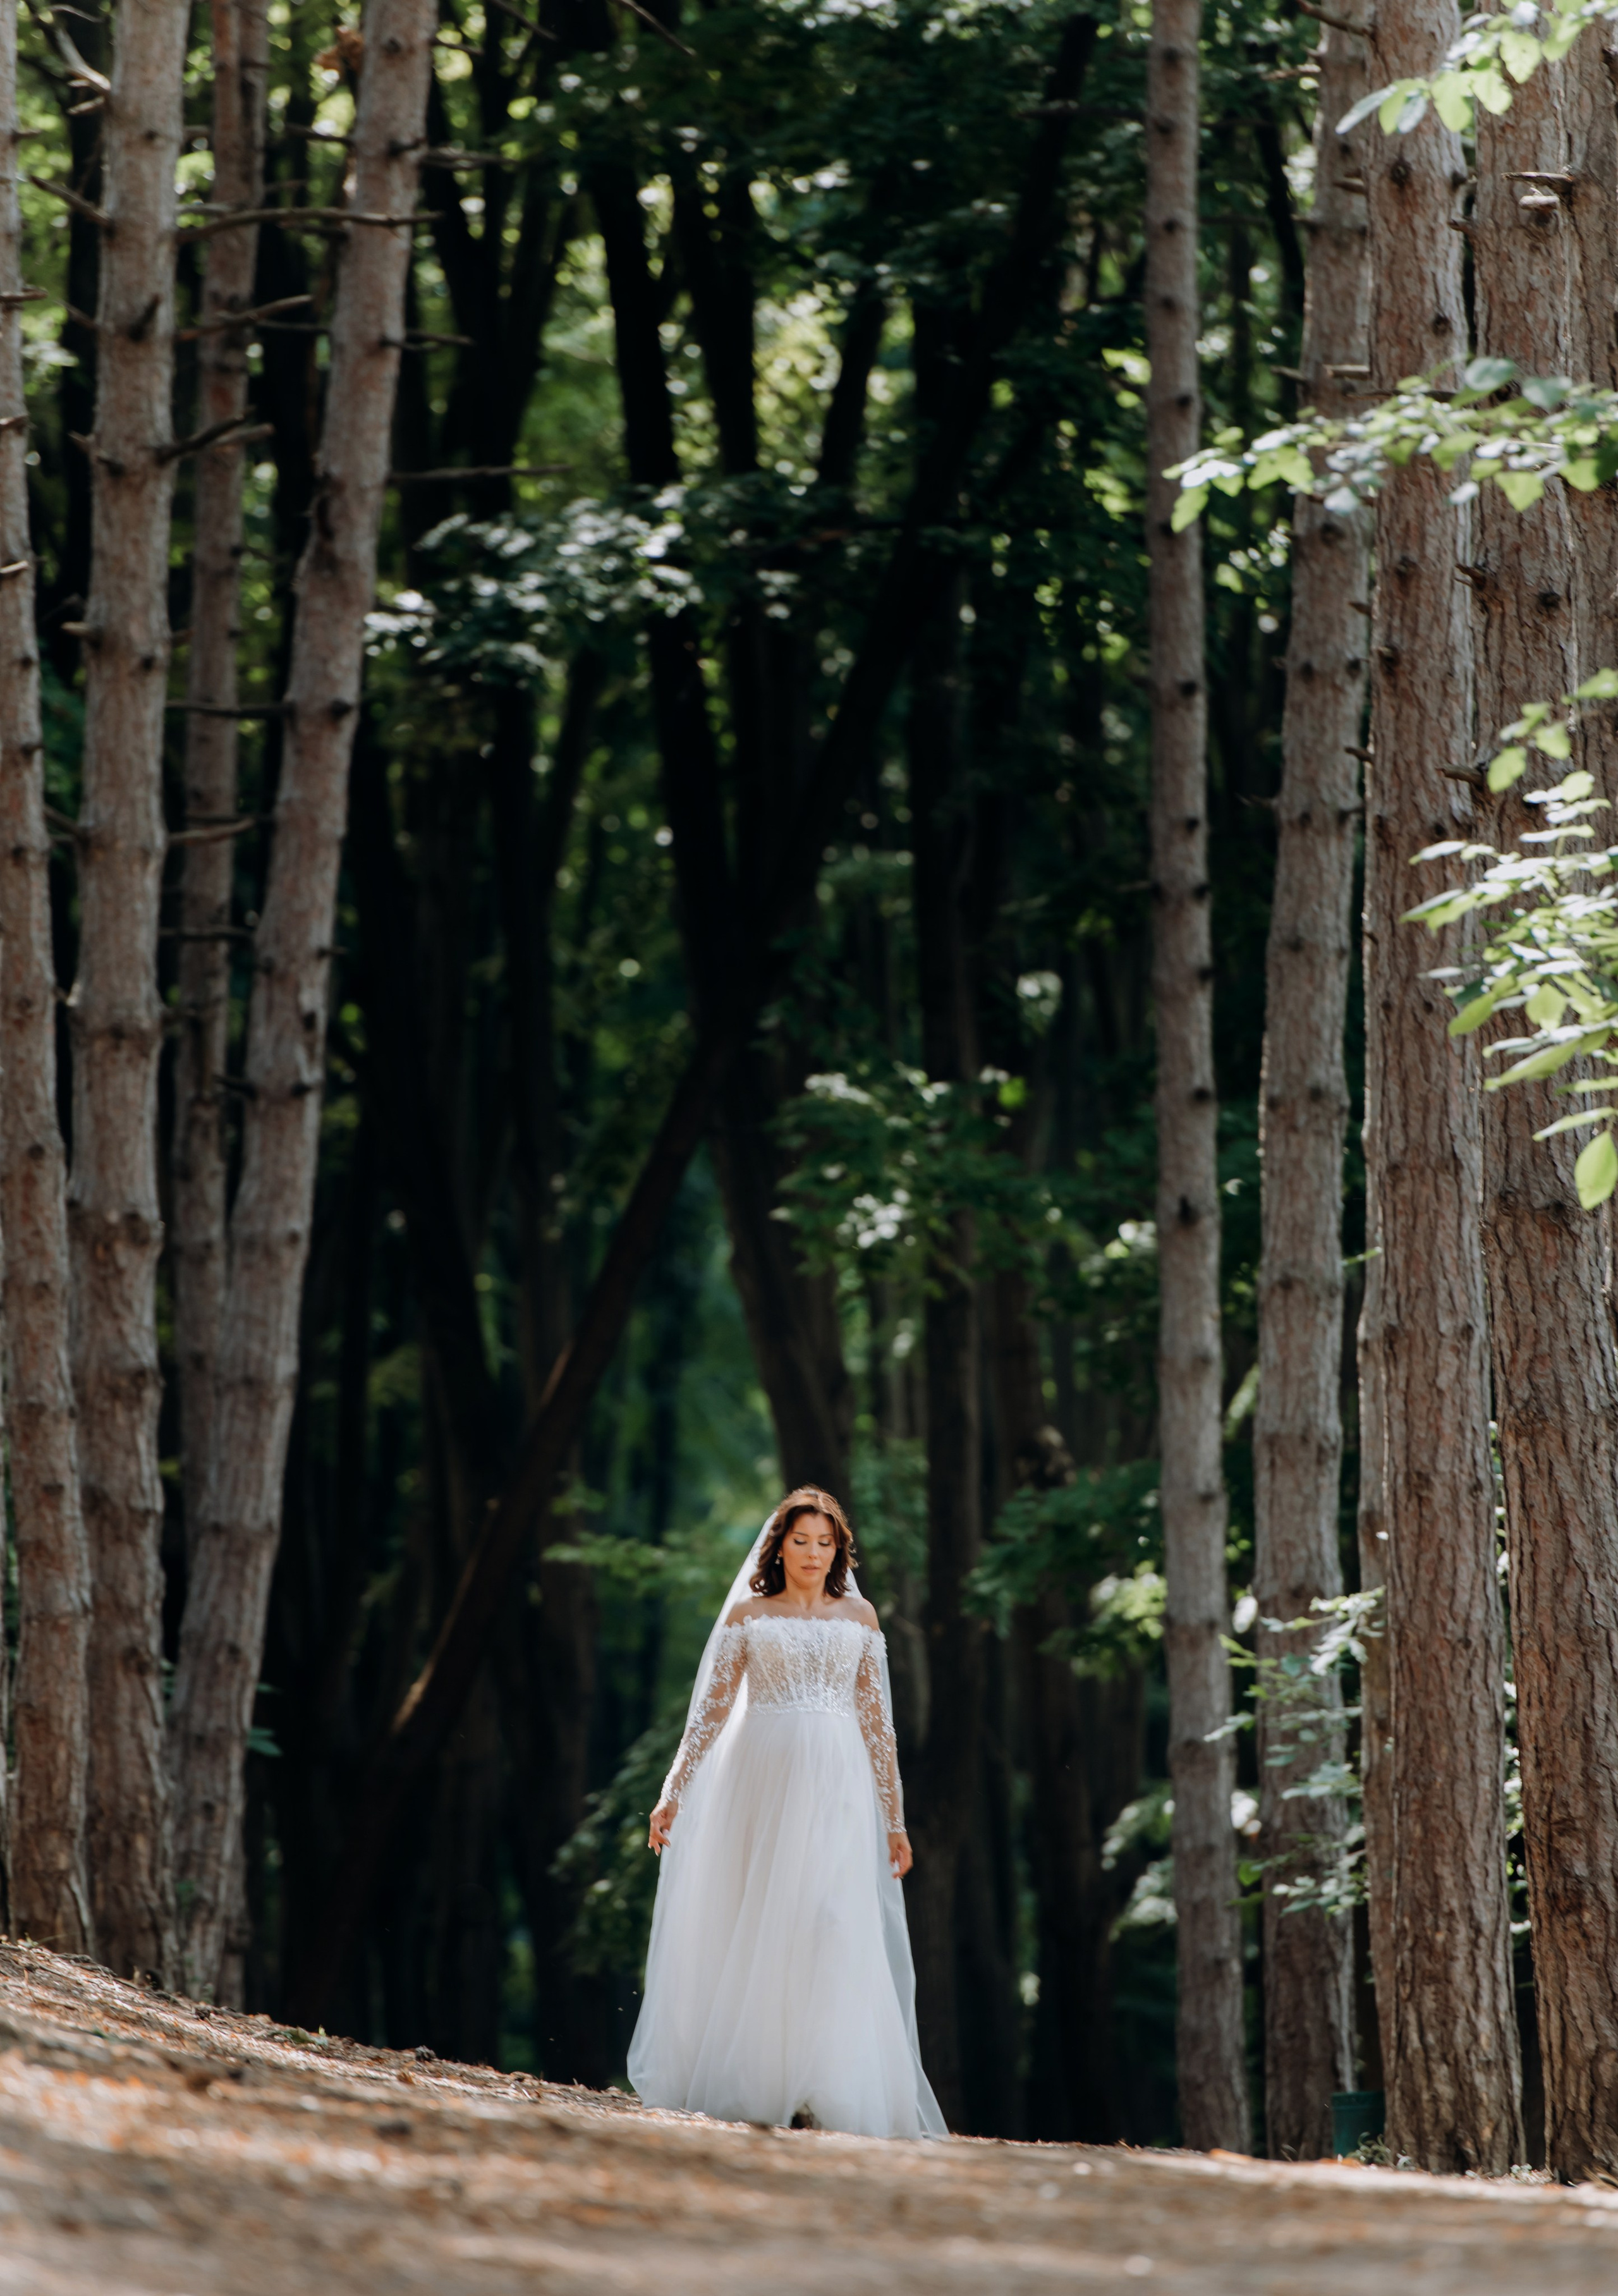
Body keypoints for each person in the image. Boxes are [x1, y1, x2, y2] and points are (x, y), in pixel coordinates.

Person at [627, 1486, 945, 2139]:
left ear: (839, 1549)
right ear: (779, 1546)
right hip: (761, 1777)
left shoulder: (861, 1618)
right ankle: (762, 2077)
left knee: (831, 1920)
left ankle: (822, 2083)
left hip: (839, 1782)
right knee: (765, 1916)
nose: (813, 1553)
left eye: (824, 1542)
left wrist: (895, 1818)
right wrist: (673, 1788)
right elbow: (711, 1710)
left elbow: (878, 1724)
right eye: (800, 1540)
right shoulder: (749, 1611)